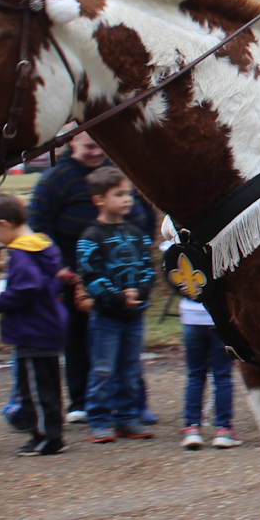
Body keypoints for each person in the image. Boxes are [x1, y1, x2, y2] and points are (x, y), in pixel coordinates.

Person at [29, 131, 155, 422]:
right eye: (88, 147)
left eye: (99, 146)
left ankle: (134, 402)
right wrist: (57, 265)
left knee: (128, 340)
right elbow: (39, 223)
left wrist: (141, 251)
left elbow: (145, 213)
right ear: (73, 143)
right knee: (79, 337)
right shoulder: (55, 180)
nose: (95, 152)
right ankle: (82, 401)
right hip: (75, 273)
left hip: (125, 271)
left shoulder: (119, 172)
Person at [0, 194, 68, 456]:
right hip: (48, 327)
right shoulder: (42, 246)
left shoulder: (21, 254)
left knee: (35, 389)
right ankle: (51, 433)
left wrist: (0, 300)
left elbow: (28, 286)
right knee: (48, 385)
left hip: (32, 330)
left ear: (4, 223)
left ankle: (46, 437)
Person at [77, 167, 156, 443]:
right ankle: (99, 420)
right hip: (107, 318)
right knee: (102, 369)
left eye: (129, 194)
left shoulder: (137, 234)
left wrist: (142, 292)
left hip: (135, 316)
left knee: (131, 369)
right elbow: (90, 276)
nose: (127, 200)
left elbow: (149, 268)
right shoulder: (90, 237)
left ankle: (126, 418)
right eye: (118, 194)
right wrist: (118, 297)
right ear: (99, 199)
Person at [178, 297, 240, 450]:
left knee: (195, 375)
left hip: (191, 317)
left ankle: (192, 428)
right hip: (219, 318)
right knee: (223, 375)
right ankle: (224, 430)